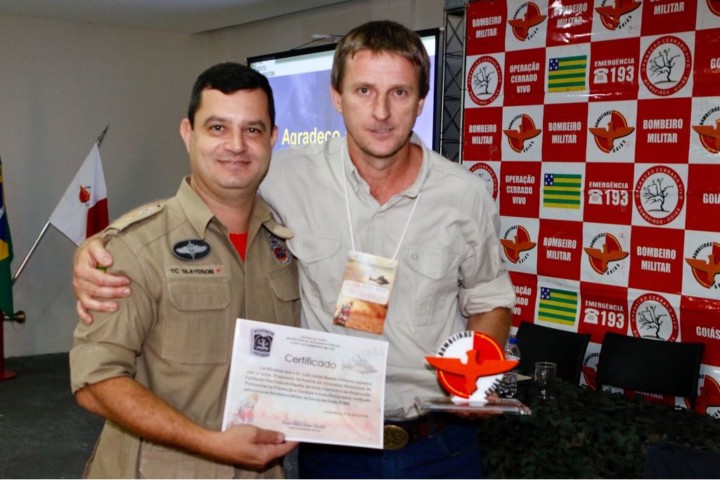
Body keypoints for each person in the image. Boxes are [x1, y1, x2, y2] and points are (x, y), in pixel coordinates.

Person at [72, 20, 516, 479]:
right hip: (333, 446)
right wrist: (96, 248)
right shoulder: (283, 176)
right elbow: (200, 201)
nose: (381, 111)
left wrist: (476, 374)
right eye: (364, 91)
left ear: (421, 101)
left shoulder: (464, 195)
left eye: (399, 93)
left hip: (439, 444)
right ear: (337, 97)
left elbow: (490, 298)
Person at [69, 62, 299, 478]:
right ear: (188, 134)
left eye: (252, 129)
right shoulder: (136, 247)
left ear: (272, 138)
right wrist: (210, 443)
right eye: (217, 128)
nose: (236, 145)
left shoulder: (287, 246)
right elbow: (95, 382)